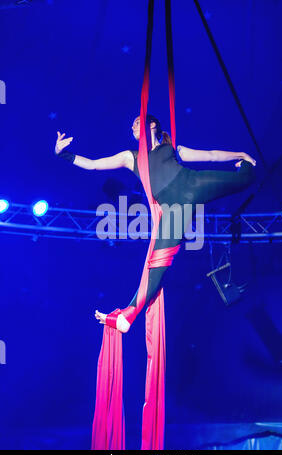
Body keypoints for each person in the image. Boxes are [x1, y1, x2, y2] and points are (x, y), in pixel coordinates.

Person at [55, 115, 256, 333]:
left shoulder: (172, 147)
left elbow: (211, 155)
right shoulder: (131, 157)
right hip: (174, 209)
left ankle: (245, 165)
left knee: (244, 179)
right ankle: (127, 315)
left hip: (193, 183)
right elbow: (93, 165)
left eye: (137, 121)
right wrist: (64, 154)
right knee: (157, 263)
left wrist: (242, 155)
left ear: (152, 125)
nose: (132, 125)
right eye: (131, 123)